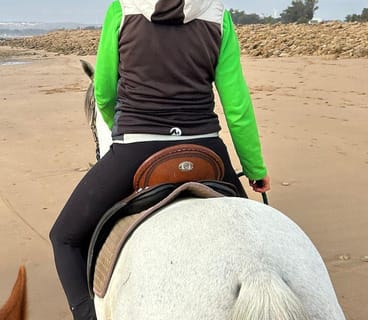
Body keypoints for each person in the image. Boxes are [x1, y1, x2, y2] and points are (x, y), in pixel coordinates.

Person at [49, 0, 272, 318]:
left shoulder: (122, 9)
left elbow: (103, 91)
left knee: (64, 237)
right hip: (207, 150)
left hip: (138, 148)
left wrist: (120, 131)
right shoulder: (217, 14)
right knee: (253, 235)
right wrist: (255, 168)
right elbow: (237, 107)